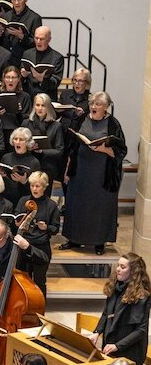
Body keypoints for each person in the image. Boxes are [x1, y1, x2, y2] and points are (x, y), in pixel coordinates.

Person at [61, 91, 127, 255]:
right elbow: (72, 147)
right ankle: (74, 239)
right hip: (81, 170)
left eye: (98, 104)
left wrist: (104, 149)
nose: (93, 107)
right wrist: (68, 170)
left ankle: (99, 242)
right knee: (77, 205)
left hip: (102, 174)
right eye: (92, 103)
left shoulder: (113, 124)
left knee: (100, 208)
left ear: (105, 107)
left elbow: (121, 151)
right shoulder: (82, 119)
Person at [0, 218, 48, 321]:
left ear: (6, 235)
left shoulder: (19, 248)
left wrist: (28, 248)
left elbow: (44, 260)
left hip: (18, 302)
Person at [88, 253, 151, 365]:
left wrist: (118, 346)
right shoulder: (115, 286)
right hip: (112, 344)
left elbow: (141, 330)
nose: (117, 269)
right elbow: (106, 313)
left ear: (133, 272)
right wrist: (97, 332)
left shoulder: (142, 296)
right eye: (118, 265)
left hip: (129, 350)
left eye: (122, 267)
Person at [15, 171, 59, 295]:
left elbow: (55, 228)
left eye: (38, 186)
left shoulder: (51, 205)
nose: (34, 189)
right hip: (23, 246)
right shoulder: (23, 201)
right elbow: (16, 219)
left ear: (45, 187)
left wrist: (46, 227)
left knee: (39, 281)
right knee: (22, 281)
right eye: (32, 185)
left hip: (41, 248)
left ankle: (39, 310)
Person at [0, 0, 42, 66]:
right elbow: (1, 41)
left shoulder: (34, 18)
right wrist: (0, 33)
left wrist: (22, 37)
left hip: (23, 60)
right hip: (6, 59)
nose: (16, 3)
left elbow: (37, 43)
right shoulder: (6, 16)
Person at [0, 127, 40, 207]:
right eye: (15, 139)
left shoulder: (34, 162)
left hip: (24, 200)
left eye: (21, 140)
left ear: (27, 142)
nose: (17, 142)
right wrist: (0, 175)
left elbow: (37, 188)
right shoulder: (6, 157)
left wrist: (24, 181)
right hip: (6, 199)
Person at [20, 26, 63, 101]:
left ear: (49, 39)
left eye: (42, 39)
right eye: (36, 38)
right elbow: (21, 77)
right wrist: (23, 75)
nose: (38, 41)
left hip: (47, 97)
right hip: (29, 96)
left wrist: (42, 79)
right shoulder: (27, 54)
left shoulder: (57, 57)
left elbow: (56, 82)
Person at [0, 66, 31, 141]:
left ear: (18, 79)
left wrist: (18, 112)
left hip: (17, 131)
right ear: (3, 79)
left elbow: (27, 117)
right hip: (0, 130)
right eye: (7, 77)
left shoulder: (24, 96)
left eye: (14, 78)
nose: (10, 80)